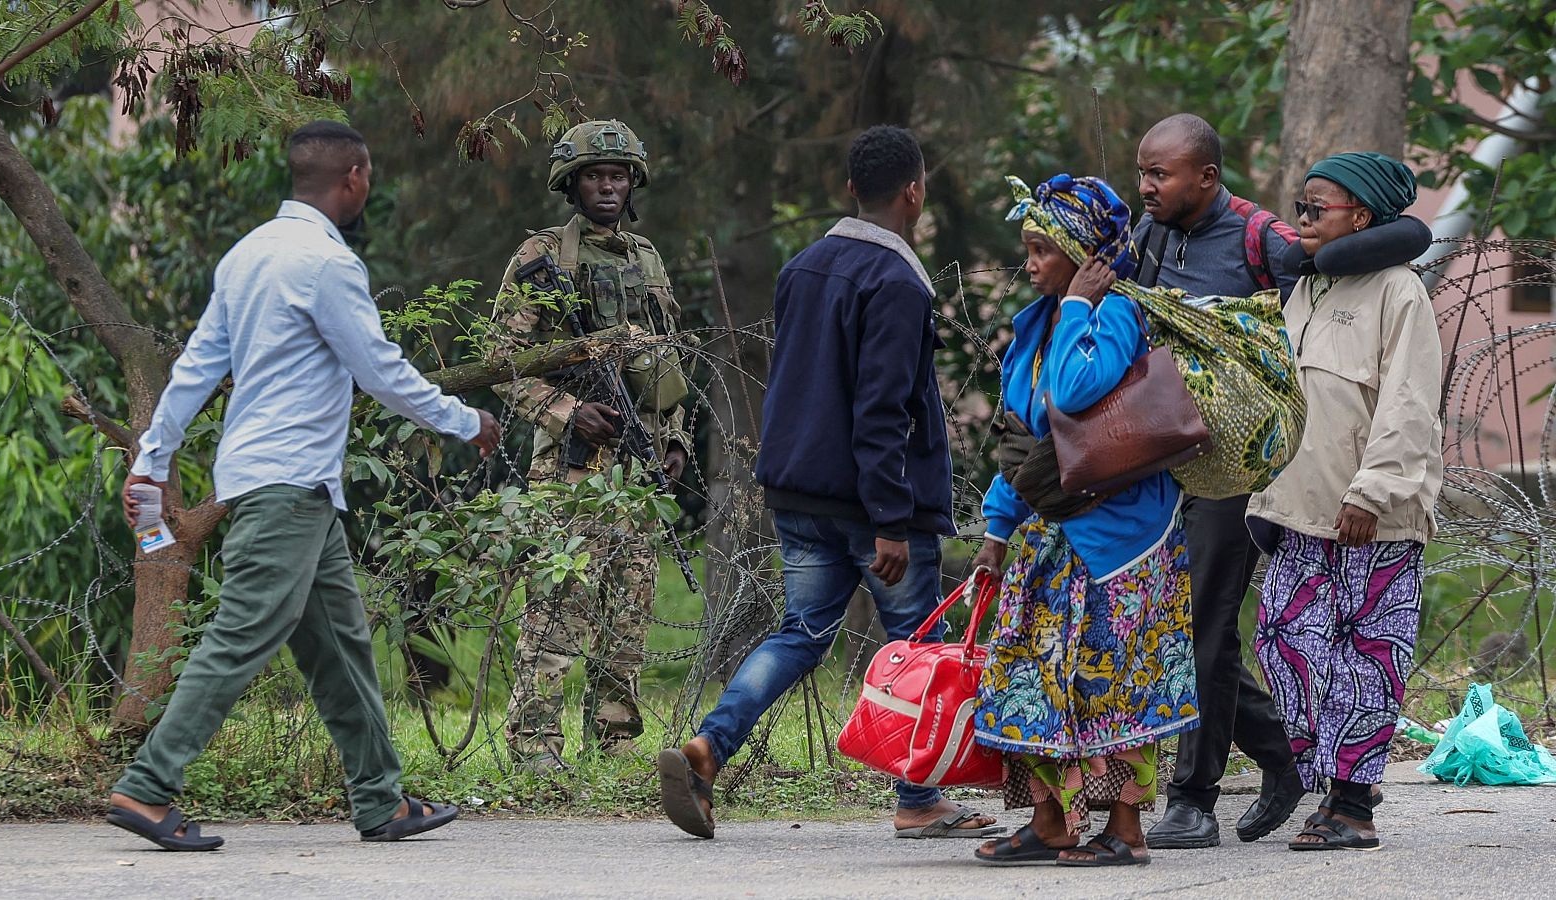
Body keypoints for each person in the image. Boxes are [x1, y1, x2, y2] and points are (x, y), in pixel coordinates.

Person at [107, 121, 502, 851]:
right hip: (287, 485)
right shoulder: (326, 264)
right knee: (243, 632)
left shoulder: (247, 255)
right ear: (352, 176)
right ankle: (148, 785)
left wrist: (151, 459)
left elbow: (196, 366)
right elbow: (380, 371)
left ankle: (381, 800)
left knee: (341, 646)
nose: (368, 187)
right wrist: (464, 419)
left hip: (293, 487)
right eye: (369, 176)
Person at [657, 125, 1001, 842]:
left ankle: (708, 748)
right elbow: (880, 411)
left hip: (799, 493)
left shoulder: (803, 265)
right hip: (869, 501)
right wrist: (889, 518)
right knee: (915, 645)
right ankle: (918, 797)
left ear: (851, 188)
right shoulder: (899, 283)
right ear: (914, 192)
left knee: (801, 634)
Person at [969, 173, 1198, 868]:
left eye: (1043, 249)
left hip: (1120, 541)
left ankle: (1123, 829)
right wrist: (996, 531)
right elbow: (1024, 440)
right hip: (1050, 534)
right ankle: (1050, 822)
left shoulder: (1119, 314)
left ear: (1086, 256)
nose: (1031, 263)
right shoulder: (1033, 325)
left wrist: (1078, 306)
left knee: (1112, 682)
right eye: (1028, 249)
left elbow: (1072, 394)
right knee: (1027, 676)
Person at [1246, 151, 1442, 852]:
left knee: (1366, 657)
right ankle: (1337, 779)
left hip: (1373, 518)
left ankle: (1352, 805)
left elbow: (1409, 404)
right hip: (1301, 510)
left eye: (1314, 208)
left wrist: (1373, 490)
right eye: (1298, 205)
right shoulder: (1308, 290)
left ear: (1360, 215)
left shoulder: (1398, 291)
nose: (1299, 219)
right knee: (1286, 644)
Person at [494, 119, 692, 772]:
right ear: (570, 184)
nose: (607, 187)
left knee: (627, 623)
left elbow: (665, 362)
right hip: (569, 473)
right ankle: (536, 756)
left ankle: (614, 752)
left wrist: (673, 443)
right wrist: (569, 411)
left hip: (635, 475)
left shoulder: (648, 259)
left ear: (632, 182)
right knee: (557, 615)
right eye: (594, 176)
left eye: (617, 176)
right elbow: (502, 361)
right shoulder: (540, 256)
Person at [1132, 113, 1305, 849]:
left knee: (1206, 620)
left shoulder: (1261, 239)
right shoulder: (1150, 234)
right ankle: (1284, 753)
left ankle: (1192, 799)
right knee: (1171, 624)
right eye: (1142, 171)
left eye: (1159, 174)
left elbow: (1314, 337)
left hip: (1237, 470)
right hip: (1160, 460)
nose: (1146, 186)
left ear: (1205, 176)